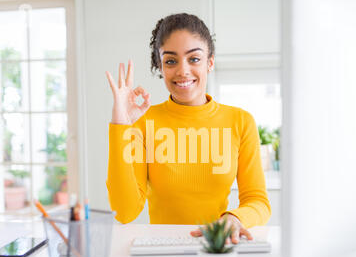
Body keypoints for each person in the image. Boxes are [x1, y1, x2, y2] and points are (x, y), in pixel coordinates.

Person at [106, 13, 271, 244]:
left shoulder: (240, 121)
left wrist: (235, 218)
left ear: (210, 62)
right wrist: (121, 125)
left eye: (194, 59)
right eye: (171, 61)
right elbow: (124, 212)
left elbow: (258, 201)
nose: (182, 71)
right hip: (162, 252)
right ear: (160, 67)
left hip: (218, 248)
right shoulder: (143, 122)